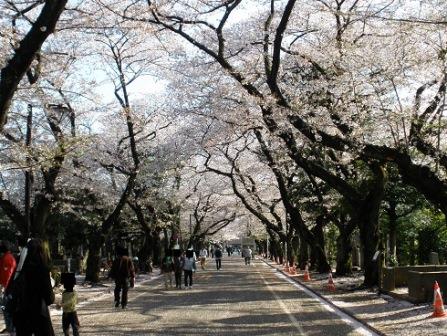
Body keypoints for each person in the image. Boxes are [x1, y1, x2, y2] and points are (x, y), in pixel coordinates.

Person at [12, 238, 55, 336]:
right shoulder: (42, 270)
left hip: (21, 317)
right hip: (39, 315)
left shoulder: (20, 270)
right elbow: (49, 299)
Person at [0, 241, 17, 335]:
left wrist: (4, 288)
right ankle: (10, 328)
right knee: (5, 308)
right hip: (7, 287)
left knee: (6, 308)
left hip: (7, 288)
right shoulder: (7, 257)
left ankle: (12, 329)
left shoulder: (7, 258)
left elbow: (8, 275)